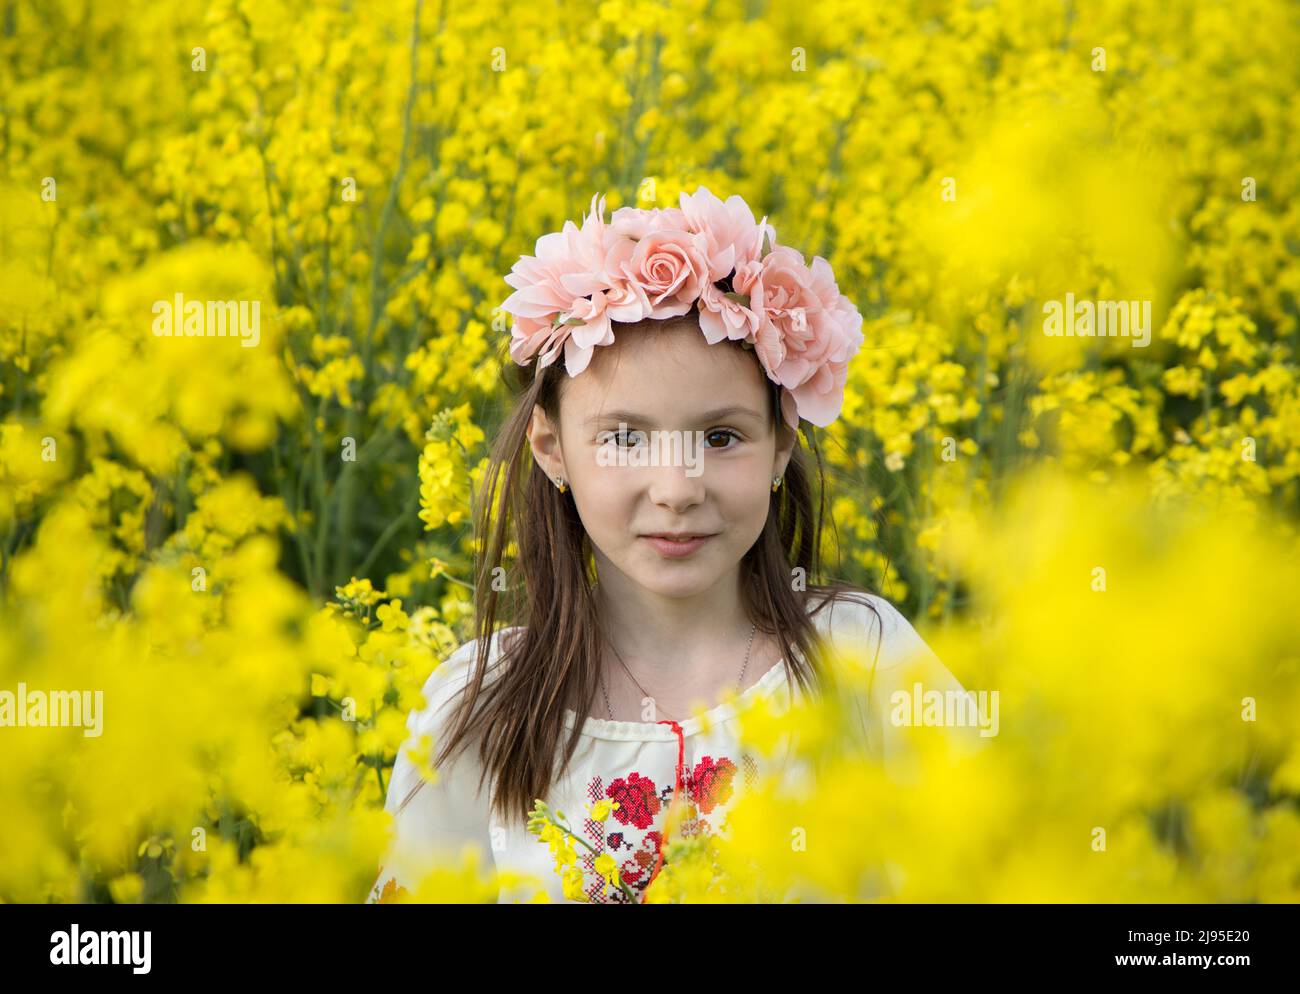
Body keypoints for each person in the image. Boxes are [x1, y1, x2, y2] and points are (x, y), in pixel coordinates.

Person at [366, 187, 974, 904]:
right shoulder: (483, 709)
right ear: (554, 450)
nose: (678, 489)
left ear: (781, 447)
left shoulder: (865, 662)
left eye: (721, 437)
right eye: (624, 438)